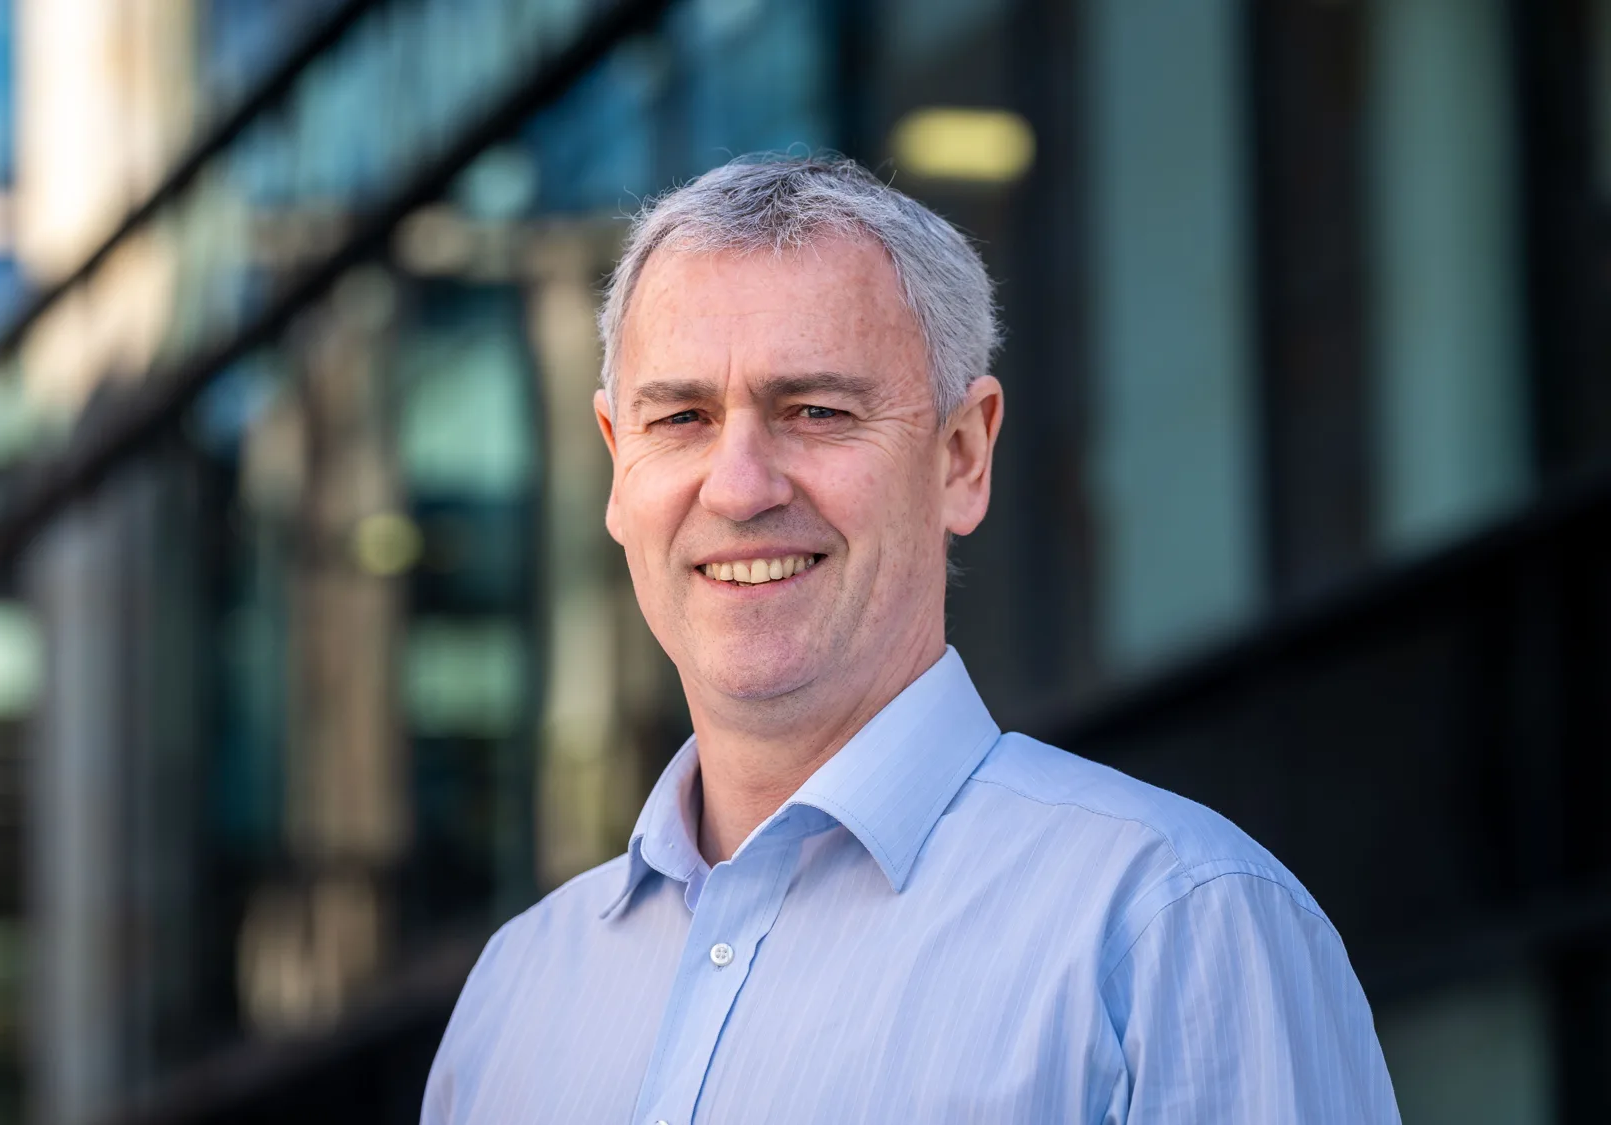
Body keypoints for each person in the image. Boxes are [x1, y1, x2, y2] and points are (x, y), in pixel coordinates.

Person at [420, 154, 1400, 1123]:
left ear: (961, 456)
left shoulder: (1173, 931)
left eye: (813, 411)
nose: (738, 486)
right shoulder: (515, 1000)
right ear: (615, 467)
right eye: (680, 417)